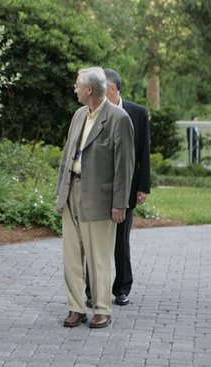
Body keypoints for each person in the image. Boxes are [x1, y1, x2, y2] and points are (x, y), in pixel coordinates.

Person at [55, 66, 134, 329]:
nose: (74, 88)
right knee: (71, 256)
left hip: (100, 199)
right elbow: (67, 156)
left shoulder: (118, 118)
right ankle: (76, 308)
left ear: (89, 89)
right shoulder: (78, 115)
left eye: (77, 84)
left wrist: (119, 204)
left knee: (98, 257)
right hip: (72, 193)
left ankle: (102, 309)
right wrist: (60, 195)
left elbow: (125, 167)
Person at [85, 69, 151, 308]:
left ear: (111, 89)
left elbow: (144, 152)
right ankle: (91, 289)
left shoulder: (138, 113)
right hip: (98, 188)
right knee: (95, 241)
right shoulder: (92, 112)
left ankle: (122, 288)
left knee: (120, 241)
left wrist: (143, 187)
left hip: (127, 188)